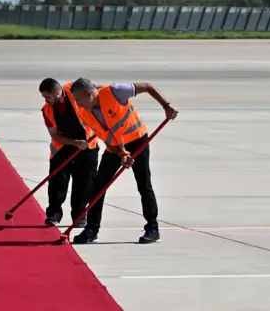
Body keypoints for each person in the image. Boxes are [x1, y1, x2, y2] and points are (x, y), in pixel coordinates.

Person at [68, 78, 178, 244]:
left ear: (89, 94)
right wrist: (122, 154)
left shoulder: (115, 92)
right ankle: (92, 229)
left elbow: (148, 87)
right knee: (99, 186)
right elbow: (107, 138)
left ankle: (152, 228)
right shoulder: (85, 113)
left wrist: (166, 106)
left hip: (137, 139)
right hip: (115, 148)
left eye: (78, 100)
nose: (77, 104)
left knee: (143, 183)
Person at [39, 78, 100, 228]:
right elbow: (55, 135)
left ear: (57, 92)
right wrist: (74, 143)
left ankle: (79, 217)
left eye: (48, 97)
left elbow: (94, 89)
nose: (46, 100)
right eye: (44, 97)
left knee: (84, 183)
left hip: (87, 146)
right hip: (62, 147)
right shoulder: (47, 110)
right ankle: (53, 214)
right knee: (57, 182)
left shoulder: (74, 90)